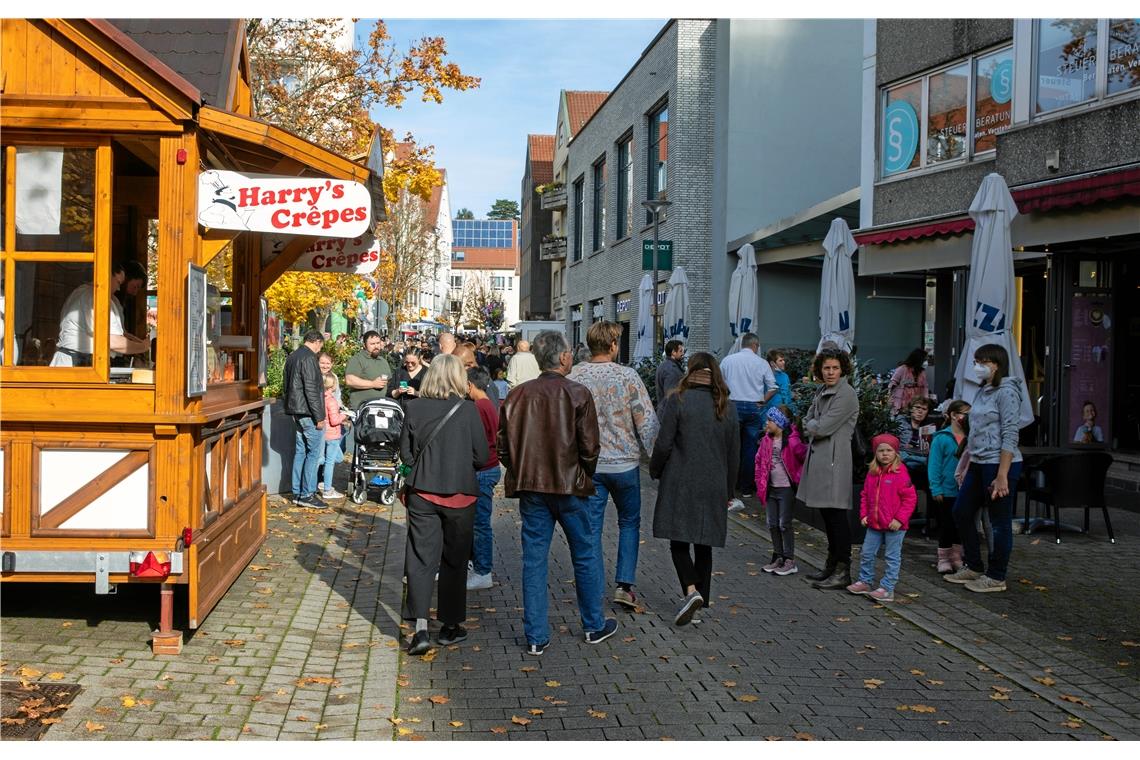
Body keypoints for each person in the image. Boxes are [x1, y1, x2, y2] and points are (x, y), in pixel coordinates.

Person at [497, 330, 616, 655]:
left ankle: (536, 635)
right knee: (586, 553)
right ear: (564, 358)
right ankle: (593, 625)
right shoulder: (577, 393)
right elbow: (590, 447)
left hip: (532, 487)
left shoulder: (517, 396)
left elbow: (503, 447)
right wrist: (582, 473)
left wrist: (518, 470)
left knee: (534, 560)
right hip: (571, 486)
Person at [399, 354, 489, 655]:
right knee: (455, 561)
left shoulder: (413, 407)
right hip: (460, 495)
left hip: (423, 492)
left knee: (421, 559)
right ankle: (450, 626)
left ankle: (421, 627)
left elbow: (406, 455)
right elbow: (481, 456)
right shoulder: (467, 410)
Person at [569, 321, 659, 609]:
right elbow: (646, 421)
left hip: (591, 465)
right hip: (625, 465)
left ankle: (593, 587)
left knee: (591, 528)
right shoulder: (628, 376)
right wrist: (658, 459)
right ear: (612, 346)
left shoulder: (576, 376)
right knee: (629, 522)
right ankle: (624, 585)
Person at [649, 352, 739, 626]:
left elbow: (664, 442)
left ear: (690, 371)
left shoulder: (678, 398)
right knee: (704, 544)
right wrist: (729, 490)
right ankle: (700, 601)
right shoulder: (726, 405)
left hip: (680, 478)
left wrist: (655, 469)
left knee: (678, 541)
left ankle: (691, 590)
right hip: (714, 482)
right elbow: (734, 453)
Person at [945, 343, 1024, 594]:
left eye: (982, 362)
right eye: (976, 361)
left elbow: (1010, 433)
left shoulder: (1007, 392)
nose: (977, 367)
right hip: (978, 462)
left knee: (999, 521)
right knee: (962, 512)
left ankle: (996, 575)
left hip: (998, 464)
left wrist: (1002, 475)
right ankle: (974, 565)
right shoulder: (983, 390)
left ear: (996, 364)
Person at [798, 348, 860, 590]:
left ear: (842, 368)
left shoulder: (846, 394)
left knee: (836, 517)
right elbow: (807, 422)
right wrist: (812, 425)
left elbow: (820, 427)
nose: (831, 372)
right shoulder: (822, 390)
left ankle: (842, 570)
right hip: (822, 460)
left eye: (835, 368)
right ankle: (832, 564)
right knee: (827, 516)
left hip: (835, 461)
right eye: (826, 368)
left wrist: (812, 425)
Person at [846, 434, 917, 602]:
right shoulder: (872, 474)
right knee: (866, 553)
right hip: (874, 523)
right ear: (875, 453)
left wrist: (899, 519)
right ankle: (865, 581)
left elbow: (910, 499)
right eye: (881, 451)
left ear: (896, 453)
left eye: (889, 450)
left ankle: (887, 588)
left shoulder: (901, 475)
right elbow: (865, 495)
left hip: (895, 526)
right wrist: (864, 514)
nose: (885, 454)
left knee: (892, 557)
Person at [719, 333, 778, 510]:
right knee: (750, 448)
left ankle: (729, 487)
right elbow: (774, 387)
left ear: (742, 344)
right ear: (756, 345)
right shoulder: (761, 363)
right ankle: (745, 488)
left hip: (732, 405)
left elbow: (719, 383)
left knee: (730, 447)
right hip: (754, 407)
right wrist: (763, 401)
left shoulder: (728, 361)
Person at [51, 260, 150, 366]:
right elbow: (113, 341)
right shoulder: (95, 297)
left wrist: (140, 344)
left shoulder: (81, 292)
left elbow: (119, 335)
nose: (118, 288)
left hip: (73, 360)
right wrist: (144, 346)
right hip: (76, 362)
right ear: (107, 275)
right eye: (118, 282)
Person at [754, 405, 807, 576]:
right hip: (770, 488)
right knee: (772, 524)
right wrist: (759, 481)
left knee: (785, 524)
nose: (766, 423)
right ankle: (777, 557)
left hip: (785, 489)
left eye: (770, 420)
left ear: (779, 422)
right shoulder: (766, 441)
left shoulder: (792, 441)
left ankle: (789, 560)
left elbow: (803, 458)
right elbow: (759, 461)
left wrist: (797, 478)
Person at [465, 366, 501, 591]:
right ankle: (479, 566)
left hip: (482, 469)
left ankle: (482, 570)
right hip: (489, 466)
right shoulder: (488, 404)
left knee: (480, 524)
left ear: (470, 385)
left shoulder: (478, 407)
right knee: (478, 522)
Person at [284, 330, 328, 509]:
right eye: (321, 345)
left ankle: (297, 492)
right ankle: (307, 493)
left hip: (296, 410)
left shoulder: (293, 356)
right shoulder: (309, 358)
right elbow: (311, 390)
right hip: (308, 412)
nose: (320, 349)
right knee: (313, 453)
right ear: (317, 342)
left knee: (301, 451)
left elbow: (286, 384)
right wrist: (319, 417)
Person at [927, 400, 970, 573]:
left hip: (964, 489)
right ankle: (943, 557)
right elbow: (934, 465)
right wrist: (935, 487)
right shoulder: (941, 438)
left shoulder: (970, 437)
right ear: (953, 415)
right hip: (946, 489)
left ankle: (956, 556)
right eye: (964, 414)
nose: (967, 418)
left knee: (960, 524)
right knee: (946, 525)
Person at [319, 374, 350, 499]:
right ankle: (327, 489)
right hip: (332, 435)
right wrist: (345, 415)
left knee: (338, 458)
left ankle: (324, 482)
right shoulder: (331, 401)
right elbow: (334, 420)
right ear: (333, 385)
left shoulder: (321, 398)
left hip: (324, 434)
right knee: (330, 462)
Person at [345, 330, 392, 409]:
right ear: (364, 345)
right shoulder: (357, 359)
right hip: (362, 408)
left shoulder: (383, 361)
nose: (376, 346)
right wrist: (373, 384)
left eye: (378, 343)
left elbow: (389, 382)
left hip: (381, 407)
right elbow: (349, 380)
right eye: (372, 344)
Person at [887, 348, 930, 414]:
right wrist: (891, 399)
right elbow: (893, 383)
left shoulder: (922, 372)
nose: (926, 362)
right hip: (901, 404)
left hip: (916, 404)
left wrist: (926, 401)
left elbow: (925, 387)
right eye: (924, 360)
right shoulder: (903, 369)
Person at [760, 349, 793, 418]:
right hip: (768, 415)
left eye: (783, 360)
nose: (784, 362)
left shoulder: (785, 376)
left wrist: (791, 411)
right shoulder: (764, 377)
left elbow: (788, 395)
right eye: (780, 360)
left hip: (784, 414)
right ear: (772, 363)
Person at [655, 339, 686, 405]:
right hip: (670, 412)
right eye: (681, 351)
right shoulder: (672, 370)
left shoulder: (663, 365)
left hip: (663, 409)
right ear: (673, 352)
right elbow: (671, 397)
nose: (683, 354)